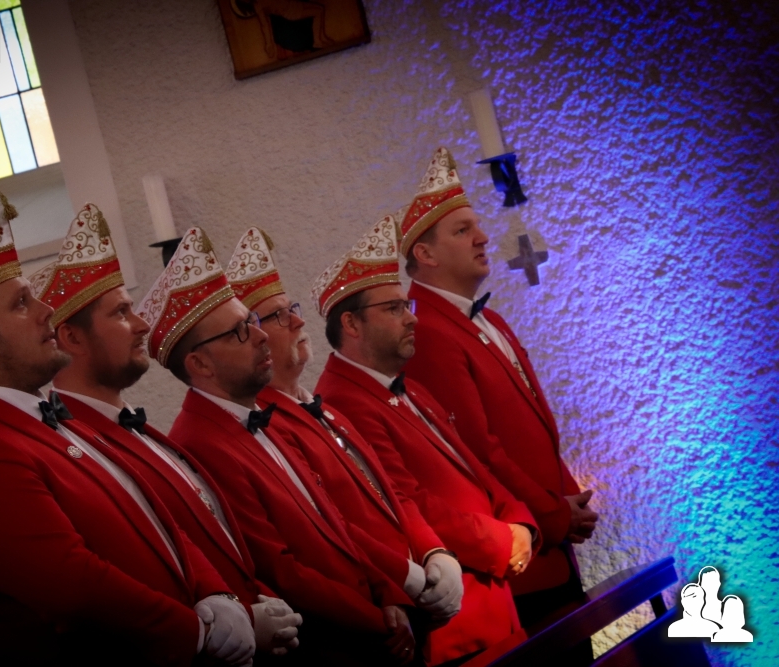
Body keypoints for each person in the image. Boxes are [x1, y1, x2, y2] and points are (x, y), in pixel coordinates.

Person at [0, 188, 255, 666]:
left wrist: (219, 596)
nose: (46, 312)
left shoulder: (46, 421)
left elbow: (155, 519)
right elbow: (72, 585)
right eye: (22, 303)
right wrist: (199, 636)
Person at [29, 205, 301, 660]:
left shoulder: (139, 430)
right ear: (72, 339)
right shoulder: (77, 446)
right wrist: (233, 622)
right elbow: (116, 579)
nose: (141, 324)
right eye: (122, 313)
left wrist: (261, 603)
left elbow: (213, 540)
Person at [138, 227, 416, 666]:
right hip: (333, 644)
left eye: (253, 323)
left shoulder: (263, 417)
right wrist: (376, 619)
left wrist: (389, 590)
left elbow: (335, 523)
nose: (262, 336)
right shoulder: (201, 441)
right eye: (240, 331)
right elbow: (281, 568)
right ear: (200, 363)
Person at [312, 214, 540, 666]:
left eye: (407, 306)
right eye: (394, 309)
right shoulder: (341, 400)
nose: (411, 318)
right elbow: (407, 500)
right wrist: (501, 542)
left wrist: (521, 520)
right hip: (457, 616)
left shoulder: (410, 386)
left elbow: (474, 466)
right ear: (351, 324)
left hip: (495, 598)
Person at [223, 227, 465, 646]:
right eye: (279, 316)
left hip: (415, 589)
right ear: (254, 338)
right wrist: (405, 578)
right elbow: (333, 524)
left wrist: (432, 550)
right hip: (385, 602)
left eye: (293, 308)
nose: (299, 320)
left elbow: (388, 491)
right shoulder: (268, 422)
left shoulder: (321, 406)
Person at [400, 147, 598, 632]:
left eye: (477, 226)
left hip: (552, 541)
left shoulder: (491, 319)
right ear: (425, 255)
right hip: (522, 558)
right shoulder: (427, 331)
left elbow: (532, 427)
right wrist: (552, 514)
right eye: (462, 230)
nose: (483, 237)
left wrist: (568, 500)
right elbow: (476, 447)